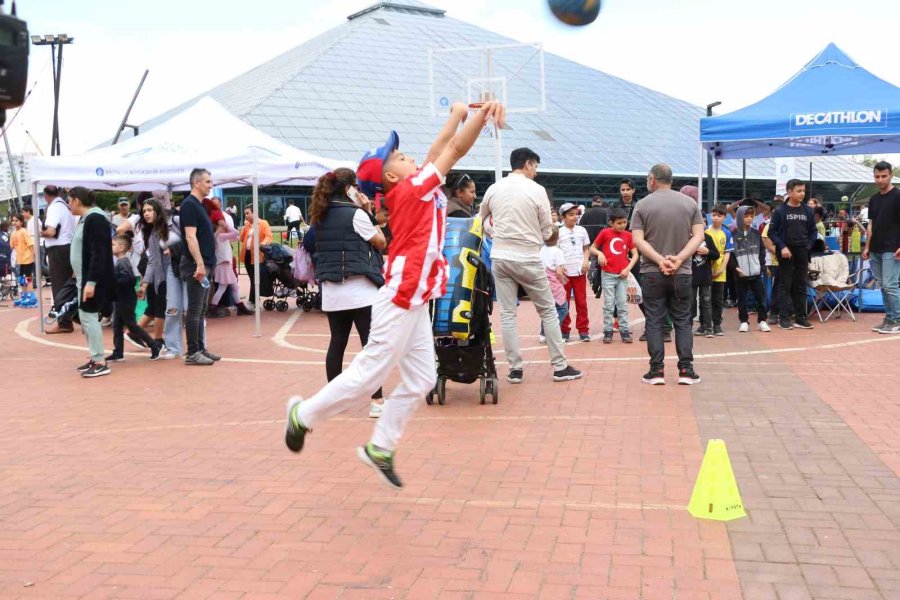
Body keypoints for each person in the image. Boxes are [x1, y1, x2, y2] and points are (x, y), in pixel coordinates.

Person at [284, 101, 510, 489]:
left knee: (422, 377)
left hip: (415, 296)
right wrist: (481, 117)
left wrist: (456, 114)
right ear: (391, 175)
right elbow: (452, 151)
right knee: (367, 373)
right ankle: (303, 415)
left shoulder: (414, 185)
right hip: (403, 293)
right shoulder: (410, 191)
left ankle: (381, 448)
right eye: (402, 157)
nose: (413, 159)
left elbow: (440, 147)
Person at [479, 147, 582, 384]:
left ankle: (515, 369)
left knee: (507, 314)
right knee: (547, 310)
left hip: (501, 257)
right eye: (535, 166)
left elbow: (482, 217)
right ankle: (559, 366)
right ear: (527, 164)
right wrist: (550, 232)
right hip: (527, 257)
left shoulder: (494, 188)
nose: (536, 171)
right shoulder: (537, 191)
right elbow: (547, 231)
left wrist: (493, 231)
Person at [309, 167, 387, 418]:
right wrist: (368, 212)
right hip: (360, 289)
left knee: (337, 343)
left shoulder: (318, 215)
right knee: (370, 345)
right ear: (348, 189)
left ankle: (332, 400)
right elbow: (381, 241)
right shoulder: (355, 214)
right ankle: (376, 401)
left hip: (332, 289)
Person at [631, 163, 705, 385]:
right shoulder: (690, 203)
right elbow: (698, 236)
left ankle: (656, 371)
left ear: (652, 179)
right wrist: (680, 258)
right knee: (683, 320)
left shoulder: (642, 205)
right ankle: (686, 370)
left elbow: (637, 240)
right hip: (682, 272)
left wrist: (660, 259)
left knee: (654, 320)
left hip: (652, 272)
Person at [68, 187, 116, 378]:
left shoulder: (95, 218)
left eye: (69, 201)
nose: (68, 204)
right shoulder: (86, 219)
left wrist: (91, 281)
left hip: (91, 279)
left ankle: (100, 361)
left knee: (88, 317)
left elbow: (100, 252)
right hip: (84, 278)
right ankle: (95, 357)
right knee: (86, 318)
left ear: (77, 201)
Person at [180, 169, 221, 366]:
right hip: (197, 265)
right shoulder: (189, 205)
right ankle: (193, 352)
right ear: (196, 183)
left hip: (205, 263)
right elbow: (190, 236)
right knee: (195, 309)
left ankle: (200, 348)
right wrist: (199, 263)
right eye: (207, 181)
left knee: (202, 308)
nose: (211, 185)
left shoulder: (199, 205)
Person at [767, 179, 817, 330]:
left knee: (801, 285)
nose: (802, 194)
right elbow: (771, 232)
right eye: (799, 191)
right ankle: (784, 318)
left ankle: (801, 317)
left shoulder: (808, 211)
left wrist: (807, 246)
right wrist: (782, 246)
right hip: (785, 253)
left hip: (803, 251)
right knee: (785, 285)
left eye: (803, 191)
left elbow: (813, 231)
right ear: (789, 192)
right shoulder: (780, 211)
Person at [107, 235, 163, 362]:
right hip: (120, 299)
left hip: (125, 300)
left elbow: (128, 279)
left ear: (121, 248)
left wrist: (112, 281)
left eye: (113, 244)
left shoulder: (123, 263)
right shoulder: (120, 262)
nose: (111, 247)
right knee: (117, 326)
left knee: (132, 325)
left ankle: (154, 345)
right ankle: (118, 352)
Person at [863, 161, 900, 334]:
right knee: (883, 285)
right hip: (876, 247)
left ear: (891, 176)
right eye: (877, 176)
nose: (880, 180)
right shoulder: (874, 199)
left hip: (892, 247)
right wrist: (867, 247)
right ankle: (890, 318)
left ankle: (897, 319)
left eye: (883, 176)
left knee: (890, 285)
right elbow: (871, 224)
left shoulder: (898, 196)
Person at [592, 208, 638, 344]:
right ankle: (608, 330)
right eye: (619, 223)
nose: (623, 225)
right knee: (609, 304)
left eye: (624, 222)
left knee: (622, 303)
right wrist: (600, 254)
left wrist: (628, 268)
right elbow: (593, 247)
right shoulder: (605, 233)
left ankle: (624, 330)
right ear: (611, 223)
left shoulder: (628, 235)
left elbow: (635, 254)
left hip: (622, 275)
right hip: (608, 274)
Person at [41, 185, 77, 332]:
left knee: (59, 287)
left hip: (58, 250)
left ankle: (64, 322)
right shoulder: (65, 207)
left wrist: (39, 232)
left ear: (45, 196)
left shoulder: (54, 207)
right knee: (66, 286)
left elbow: (50, 231)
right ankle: (67, 319)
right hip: (67, 248)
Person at [731, 206, 771, 333]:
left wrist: (761, 266)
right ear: (739, 217)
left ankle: (762, 321)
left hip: (756, 272)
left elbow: (762, 251)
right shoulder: (733, 234)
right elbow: (730, 254)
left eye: (750, 216)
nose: (748, 219)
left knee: (760, 297)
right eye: (745, 216)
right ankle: (743, 321)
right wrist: (736, 268)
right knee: (741, 299)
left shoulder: (756, 233)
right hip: (740, 274)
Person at [136, 198, 169, 345]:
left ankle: (135, 333)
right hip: (161, 277)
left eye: (149, 210)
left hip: (165, 275)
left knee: (155, 308)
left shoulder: (165, 228)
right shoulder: (152, 233)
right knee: (158, 308)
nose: (146, 214)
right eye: (144, 211)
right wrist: (145, 284)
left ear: (157, 211)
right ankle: (157, 340)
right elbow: (152, 261)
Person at [557, 202, 592, 341]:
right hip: (564, 274)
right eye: (570, 215)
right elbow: (555, 251)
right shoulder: (558, 232)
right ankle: (565, 330)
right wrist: (559, 266)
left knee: (581, 302)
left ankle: (583, 330)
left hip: (579, 272)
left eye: (576, 214)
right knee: (563, 303)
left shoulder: (582, 230)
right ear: (563, 217)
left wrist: (585, 261)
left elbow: (586, 248)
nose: (574, 217)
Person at [706, 204, 732, 336]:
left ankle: (717, 324)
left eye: (719, 215)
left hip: (721, 272)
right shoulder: (705, 231)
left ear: (724, 217)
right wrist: (709, 268)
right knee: (706, 299)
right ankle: (706, 324)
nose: (716, 218)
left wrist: (722, 268)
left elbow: (727, 252)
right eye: (714, 215)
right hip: (706, 271)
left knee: (718, 299)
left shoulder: (726, 232)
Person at [239, 207, 273, 309]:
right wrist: (244, 228)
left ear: (254, 213)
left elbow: (269, 236)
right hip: (247, 255)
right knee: (252, 278)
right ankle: (254, 299)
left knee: (255, 278)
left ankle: (252, 301)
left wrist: (263, 243)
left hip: (257, 255)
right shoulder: (248, 225)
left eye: (247, 213)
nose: (246, 216)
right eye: (245, 214)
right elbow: (241, 239)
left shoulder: (263, 223)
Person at [538, 235, 568, 344]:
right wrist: (563, 280)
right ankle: (552, 333)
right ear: (557, 238)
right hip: (554, 282)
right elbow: (559, 272)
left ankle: (543, 334)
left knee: (547, 309)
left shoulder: (542, 250)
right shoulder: (557, 251)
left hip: (543, 281)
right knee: (562, 308)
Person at [691, 225, 720, 337]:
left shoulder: (707, 237)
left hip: (705, 276)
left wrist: (707, 251)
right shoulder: (687, 238)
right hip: (691, 276)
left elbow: (716, 254)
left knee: (706, 302)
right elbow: (682, 254)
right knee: (690, 302)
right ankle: (687, 327)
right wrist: (694, 250)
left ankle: (708, 327)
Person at [579, 196, 609, 298]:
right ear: (601, 202)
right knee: (605, 261)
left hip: (591, 242)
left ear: (592, 203)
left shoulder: (586, 214)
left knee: (593, 260)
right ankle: (603, 280)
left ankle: (592, 279)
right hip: (605, 242)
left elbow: (580, 227)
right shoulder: (606, 212)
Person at [9, 214, 36, 307]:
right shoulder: (13, 233)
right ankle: (24, 296)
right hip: (19, 259)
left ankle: (31, 297)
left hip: (27, 258)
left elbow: (31, 244)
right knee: (21, 279)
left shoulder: (24, 231)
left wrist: (34, 256)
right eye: (13, 220)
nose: (14, 222)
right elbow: (12, 245)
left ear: (21, 222)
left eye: (16, 220)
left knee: (27, 278)